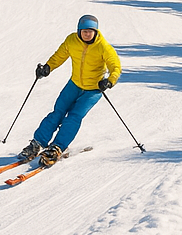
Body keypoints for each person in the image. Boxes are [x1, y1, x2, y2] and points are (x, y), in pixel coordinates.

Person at [24, 14, 121, 167]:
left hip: (93, 90)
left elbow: (115, 66)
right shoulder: (71, 40)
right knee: (58, 112)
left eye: (90, 31)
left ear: (95, 32)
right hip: (74, 84)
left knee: (74, 117)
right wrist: (48, 67)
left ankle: (57, 147)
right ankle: (37, 143)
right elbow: (60, 55)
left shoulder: (103, 47)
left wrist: (109, 81)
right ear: (79, 31)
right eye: (84, 31)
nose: (87, 34)